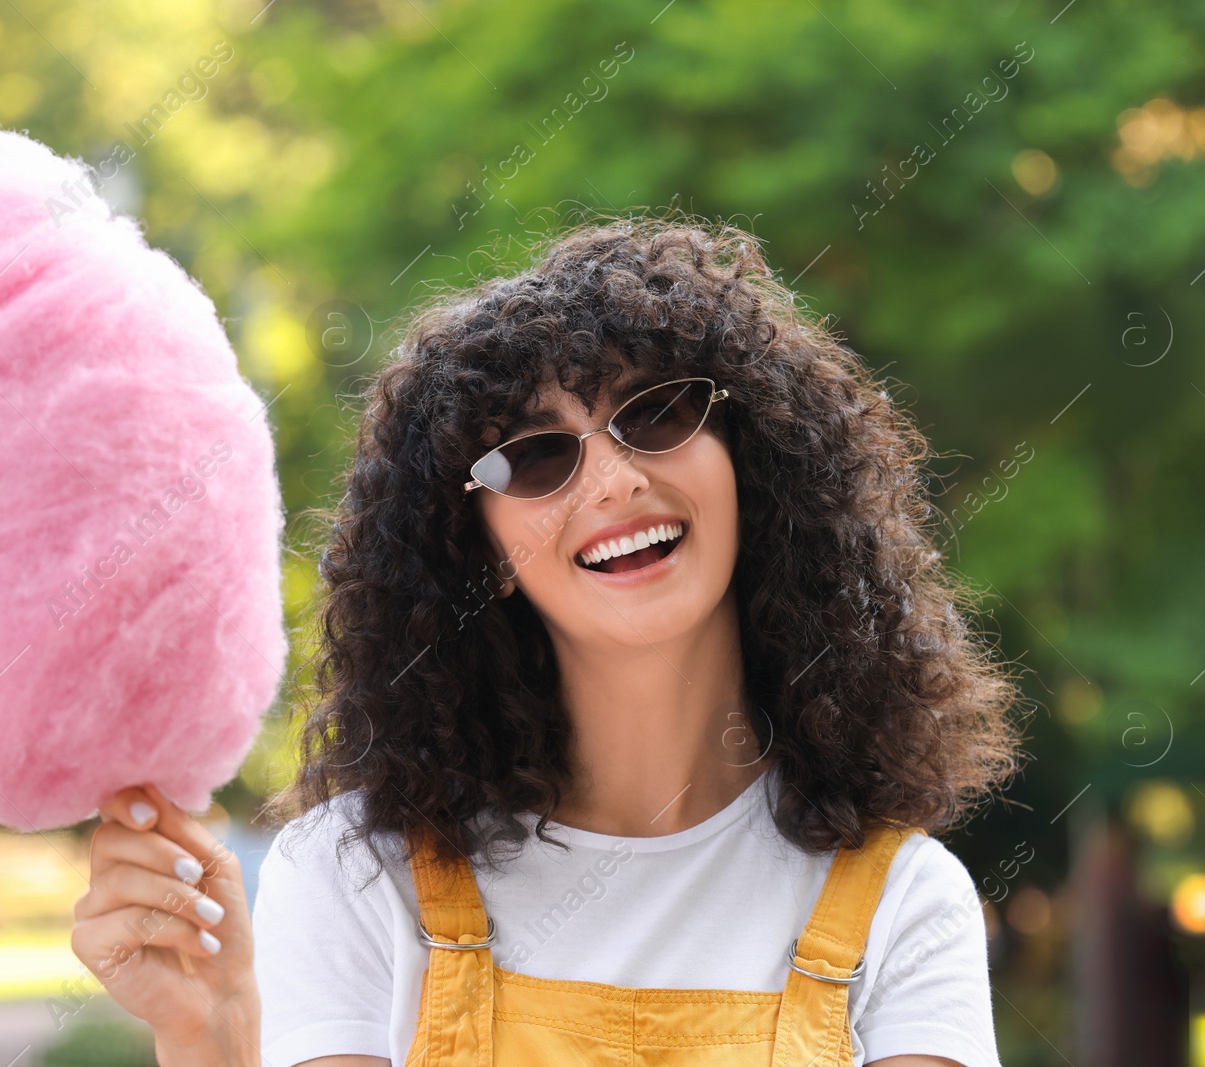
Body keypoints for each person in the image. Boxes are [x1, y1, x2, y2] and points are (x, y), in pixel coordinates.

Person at [72, 218, 1025, 1067]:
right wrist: (210, 1040)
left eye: (655, 412)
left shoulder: (904, 903)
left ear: (754, 458)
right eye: (534, 454)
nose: (610, 480)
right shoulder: (354, 878)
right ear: (471, 543)